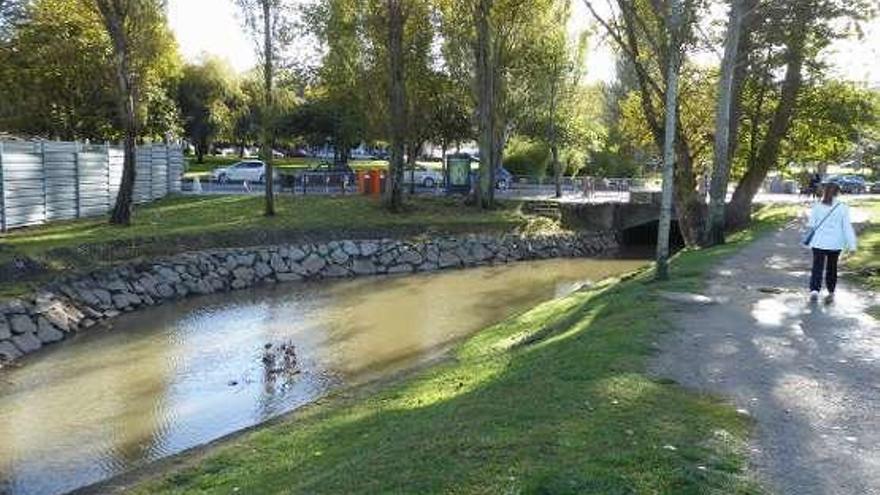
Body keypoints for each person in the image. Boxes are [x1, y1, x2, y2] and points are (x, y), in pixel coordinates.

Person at [806, 180, 857, 302]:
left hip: (818, 242)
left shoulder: (817, 206)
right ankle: (831, 291)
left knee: (817, 266)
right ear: (837, 193)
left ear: (824, 192)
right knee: (832, 267)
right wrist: (852, 246)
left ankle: (814, 290)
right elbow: (847, 228)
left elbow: (812, 224)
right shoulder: (843, 207)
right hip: (835, 243)